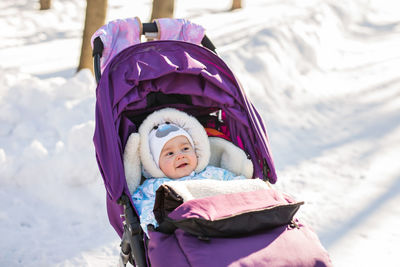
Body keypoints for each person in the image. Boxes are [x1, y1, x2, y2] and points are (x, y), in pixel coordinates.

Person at [131, 109, 246, 236]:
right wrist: (155, 225)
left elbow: (237, 185)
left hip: (221, 221)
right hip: (182, 231)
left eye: (185, 148)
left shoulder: (212, 174)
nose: (180, 156)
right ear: (155, 164)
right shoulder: (153, 186)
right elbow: (143, 207)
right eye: (170, 153)